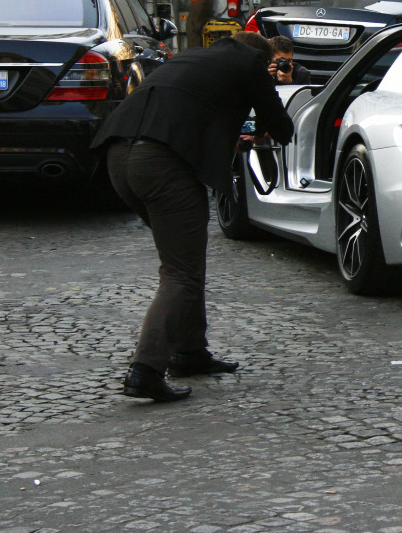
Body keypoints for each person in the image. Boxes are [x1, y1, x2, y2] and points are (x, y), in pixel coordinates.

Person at [93, 32, 294, 402]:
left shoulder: (194, 57)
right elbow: (281, 127)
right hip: (163, 163)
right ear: (261, 56)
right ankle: (146, 370)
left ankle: (190, 352)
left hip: (119, 155)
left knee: (182, 260)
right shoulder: (249, 62)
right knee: (180, 273)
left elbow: (186, 110)